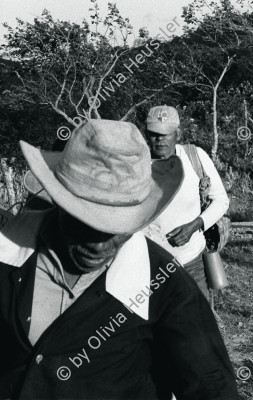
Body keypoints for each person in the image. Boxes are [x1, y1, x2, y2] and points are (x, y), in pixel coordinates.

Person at [0, 120, 238, 399]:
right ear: (58, 201)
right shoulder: (7, 253)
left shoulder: (163, 283)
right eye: (85, 223)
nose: (100, 244)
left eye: (118, 228)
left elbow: (212, 386)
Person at [144, 105, 229, 299]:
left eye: (166, 134)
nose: (160, 139)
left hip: (192, 262)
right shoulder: (137, 164)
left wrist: (194, 225)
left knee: (198, 326)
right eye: (154, 134)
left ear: (178, 134)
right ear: (146, 134)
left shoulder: (194, 157)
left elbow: (221, 201)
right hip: (149, 267)